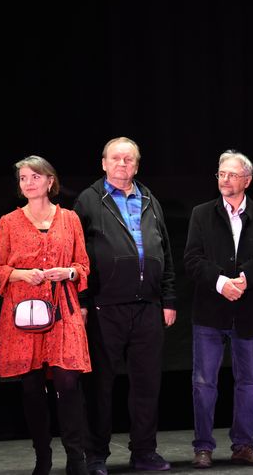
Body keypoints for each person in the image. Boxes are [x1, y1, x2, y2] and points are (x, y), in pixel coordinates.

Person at [74, 137, 176, 474]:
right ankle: (95, 455)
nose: (122, 164)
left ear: (137, 164)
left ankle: (144, 451)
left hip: (148, 306)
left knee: (147, 385)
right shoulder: (89, 201)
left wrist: (168, 298)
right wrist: (82, 302)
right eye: (116, 158)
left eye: (129, 159)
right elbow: (77, 255)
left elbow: (165, 251)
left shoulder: (149, 199)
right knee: (99, 386)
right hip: (104, 307)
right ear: (104, 163)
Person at [183, 150, 253, 469]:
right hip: (210, 312)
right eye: (221, 174)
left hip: (250, 311)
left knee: (249, 382)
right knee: (203, 383)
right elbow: (192, 259)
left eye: (231, 174)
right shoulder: (201, 213)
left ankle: (243, 445)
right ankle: (203, 447)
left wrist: (244, 278)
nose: (224, 179)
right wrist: (220, 282)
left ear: (247, 180)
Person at [0, 155, 91, 475]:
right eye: (23, 178)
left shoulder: (70, 219)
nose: (29, 183)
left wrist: (68, 273)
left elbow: (82, 266)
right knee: (32, 388)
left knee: (68, 383)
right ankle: (43, 457)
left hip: (63, 309)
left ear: (50, 181)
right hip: (26, 313)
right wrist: (23, 274)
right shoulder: (9, 222)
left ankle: (76, 457)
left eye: (35, 176)